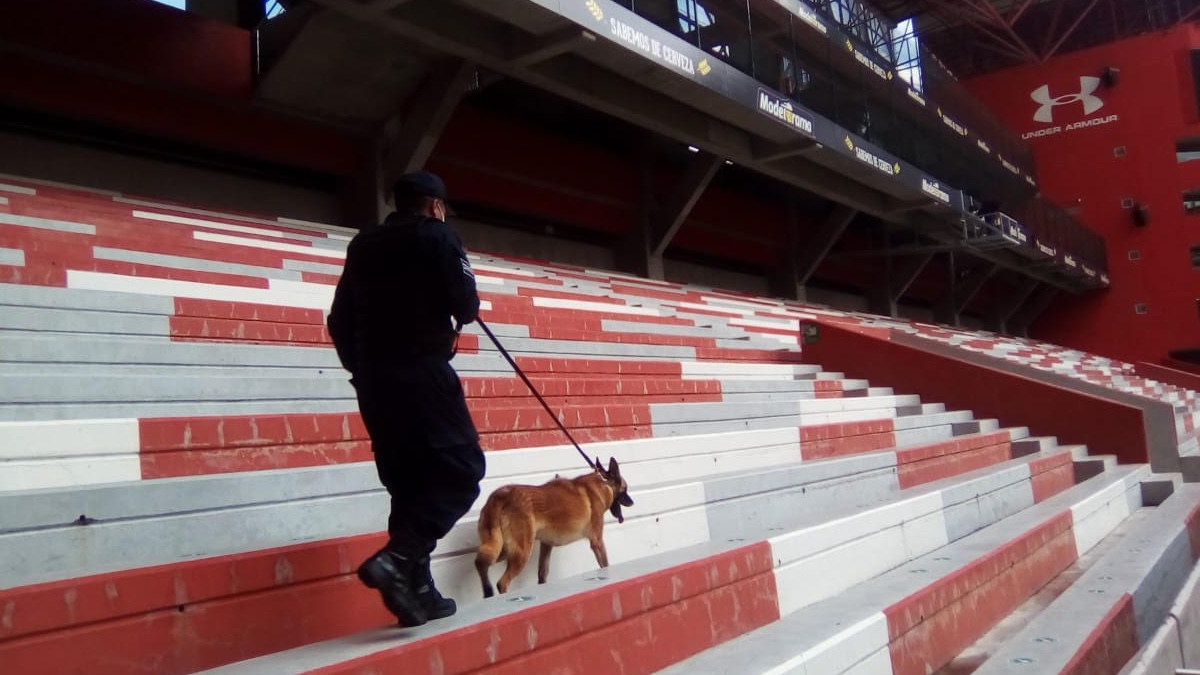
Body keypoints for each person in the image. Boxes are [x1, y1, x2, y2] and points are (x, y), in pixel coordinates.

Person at [327, 171, 486, 627]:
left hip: (375, 382)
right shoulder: (439, 236)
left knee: (409, 484)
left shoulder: (363, 244)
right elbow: (468, 306)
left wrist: (362, 369)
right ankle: (399, 559)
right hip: (422, 373)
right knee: (463, 471)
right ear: (435, 206)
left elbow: (339, 320)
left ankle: (416, 592)